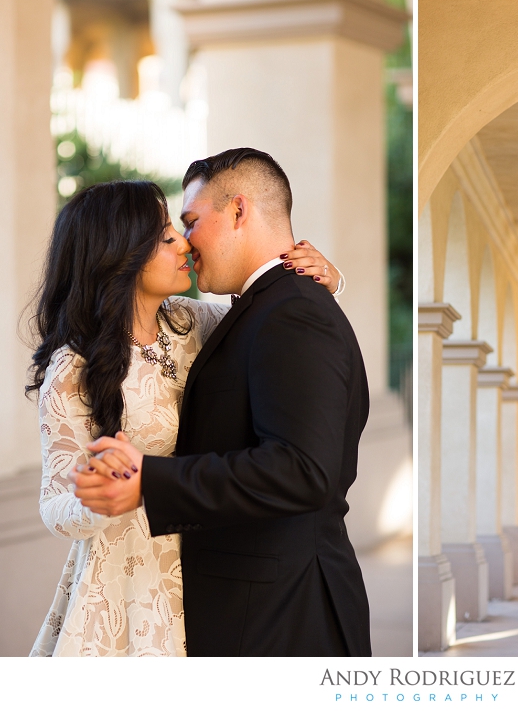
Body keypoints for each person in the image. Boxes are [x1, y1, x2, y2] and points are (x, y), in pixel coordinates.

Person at [71, 147, 372, 657]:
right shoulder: (259, 310)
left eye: (189, 221)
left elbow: (302, 469)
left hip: (281, 619)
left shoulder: (292, 312)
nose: (185, 243)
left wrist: (152, 480)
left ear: (238, 211)